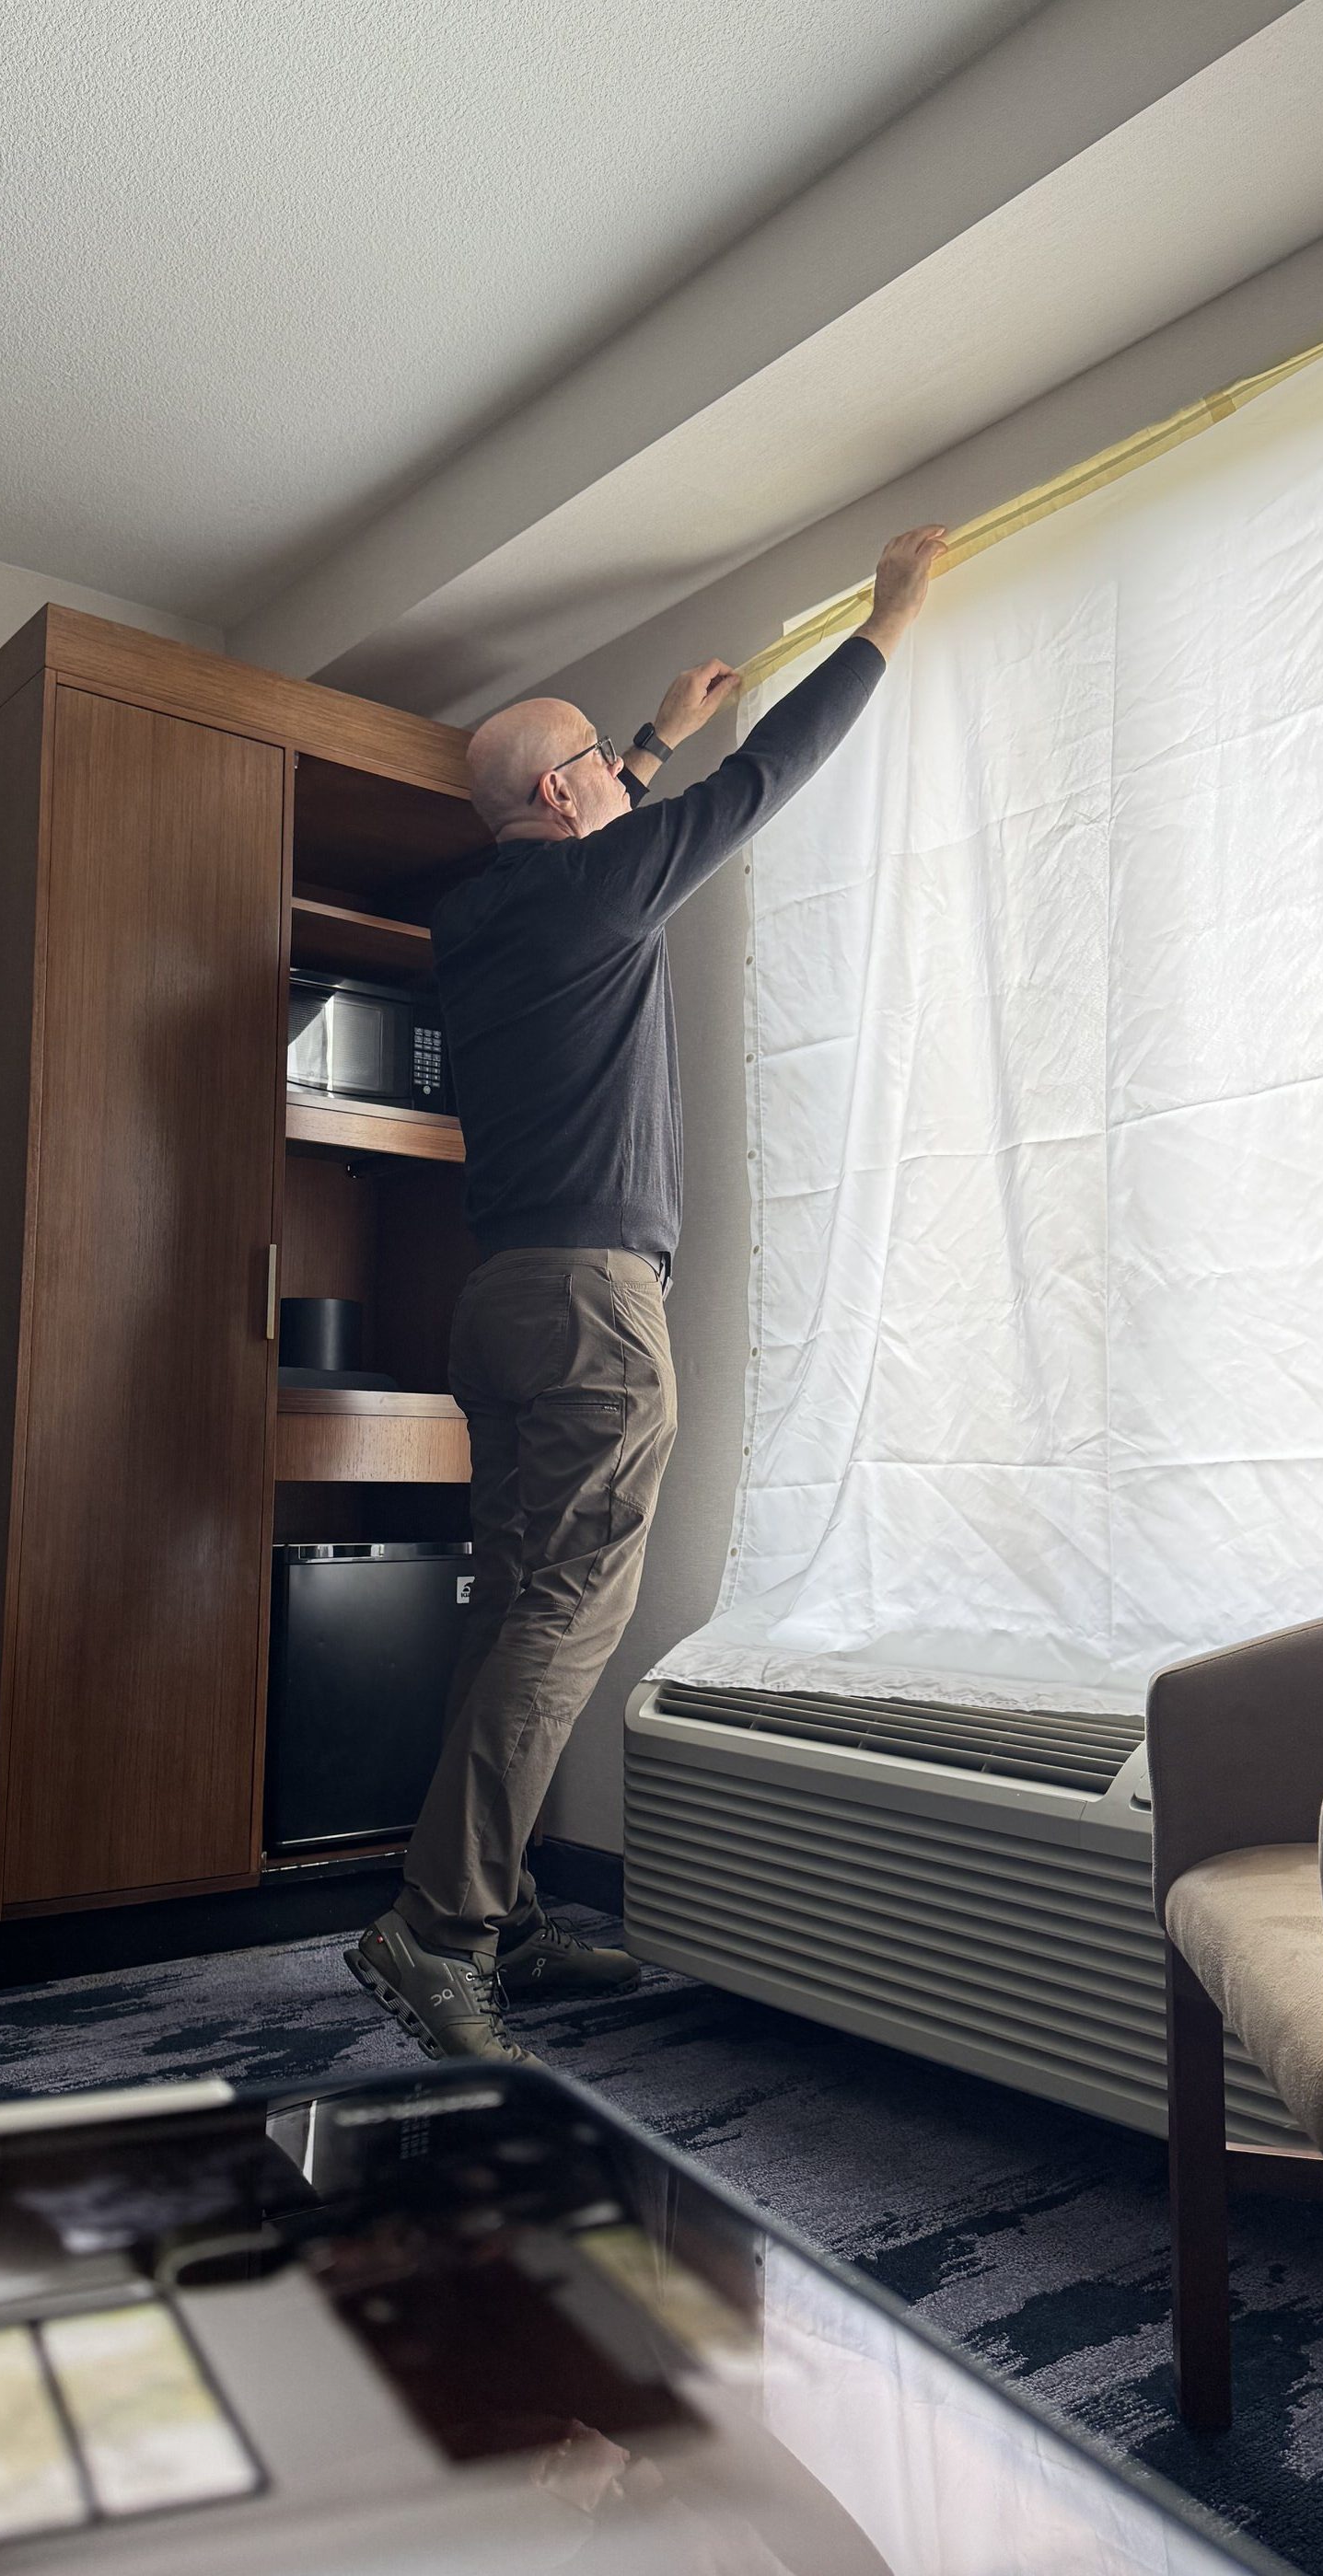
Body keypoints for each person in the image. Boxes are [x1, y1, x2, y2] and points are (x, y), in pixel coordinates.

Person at [347, 526, 948, 2059]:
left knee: (508, 1619)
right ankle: (438, 1931)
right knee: (559, 1618)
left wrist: (646, 735)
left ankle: (495, 1912)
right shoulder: (603, 886)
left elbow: (599, 805)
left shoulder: (482, 914)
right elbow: (765, 781)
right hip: (593, 1311)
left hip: (504, 1302)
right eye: (607, 778)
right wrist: (887, 620)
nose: (633, 791)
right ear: (567, 801)